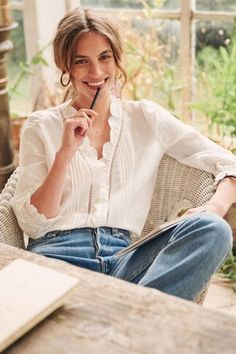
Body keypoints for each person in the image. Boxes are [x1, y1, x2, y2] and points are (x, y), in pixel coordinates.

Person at [12, 7, 236, 302]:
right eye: (82, 62)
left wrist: (216, 206)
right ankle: (134, 318)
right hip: (56, 258)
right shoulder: (42, 126)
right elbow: (32, 224)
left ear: (117, 59)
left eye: (105, 57)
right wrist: (65, 154)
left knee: (214, 230)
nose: (96, 73)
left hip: (126, 260)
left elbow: (225, 161)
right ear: (65, 66)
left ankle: (129, 314)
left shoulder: (146, 118)